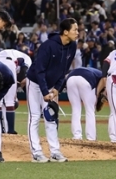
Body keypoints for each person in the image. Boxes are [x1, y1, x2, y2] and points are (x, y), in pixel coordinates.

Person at [25, 18, 78, 163]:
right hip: (35, 83)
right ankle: (36, 153)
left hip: (51, 86)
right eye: (75, 30)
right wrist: (44, 92)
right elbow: (39, 71)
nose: (77, 33)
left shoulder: (72, 46)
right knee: (35, 117)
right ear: (65, 32)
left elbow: (64, 70)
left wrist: (57, 89)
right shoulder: (48, 46)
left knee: (51, 118)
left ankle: (55, 152)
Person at [0, 48, 32, 134]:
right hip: (9, 63)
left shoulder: (15, 54)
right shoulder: (28, 59)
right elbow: (23, 79)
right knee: (10, 101)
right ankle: (10, 130)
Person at [64, 67, 103, 141]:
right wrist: (97, 94)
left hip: (70, 78)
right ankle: (91, 137)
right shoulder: (102, 75)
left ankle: (77, 136)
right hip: (86, 79)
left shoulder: (94, 71)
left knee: (75, 109)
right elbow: (104, 80)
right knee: (90, 110)